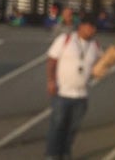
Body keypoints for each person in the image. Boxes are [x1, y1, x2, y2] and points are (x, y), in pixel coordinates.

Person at [45, 15, 103, 160]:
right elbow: (51, 60)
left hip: (81, 95)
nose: (92, 30)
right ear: (81, 26)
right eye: (89, 26)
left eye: (94, 28)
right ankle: (52, 154)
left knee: (72, 128)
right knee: (57, 126)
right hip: (62, 93)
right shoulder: (66, 39)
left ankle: (65, 152)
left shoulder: (95, 45)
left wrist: (103, 67)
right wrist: (51, 81)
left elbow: (101, 64)